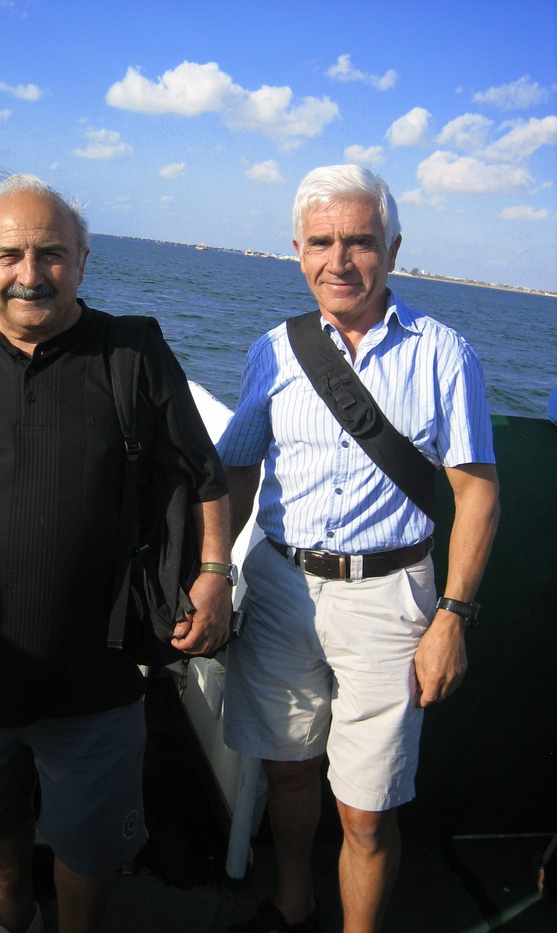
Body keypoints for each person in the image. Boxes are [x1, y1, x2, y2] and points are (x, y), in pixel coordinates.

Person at [0, 174, 233, 933]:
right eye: (10, 255)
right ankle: (15, 913)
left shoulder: (134, 352)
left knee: (91, 849)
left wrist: (216, 575)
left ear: (83, 261)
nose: (30, 274)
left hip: (97, 678)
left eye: (51, 253)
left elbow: (205, 474)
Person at [218, 165, 500, 933]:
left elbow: (477, 493)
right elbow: (237, 469)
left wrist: (454, 616)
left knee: (367, 809)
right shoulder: (272, 351)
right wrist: (209, 572)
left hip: (389, 598)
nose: (338, 261)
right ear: (297, 251)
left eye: (360, 241)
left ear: (393, 249)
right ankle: (294, 903)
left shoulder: (445, 354)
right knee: (286, 770)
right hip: (281, 585)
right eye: (320, 242)